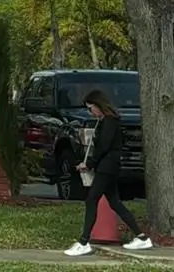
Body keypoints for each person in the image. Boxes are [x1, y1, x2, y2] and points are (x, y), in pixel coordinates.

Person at [64, 89, 153, 255]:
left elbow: (103, 147)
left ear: (98, 105)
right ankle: (141, 238)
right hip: (108, 166)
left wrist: (89, 164)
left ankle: (84, 242)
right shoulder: (106, 121)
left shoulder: (109, 122)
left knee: (92, 199)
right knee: (115, 202)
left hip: (107, 166)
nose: (90, 112)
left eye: (90, 108)